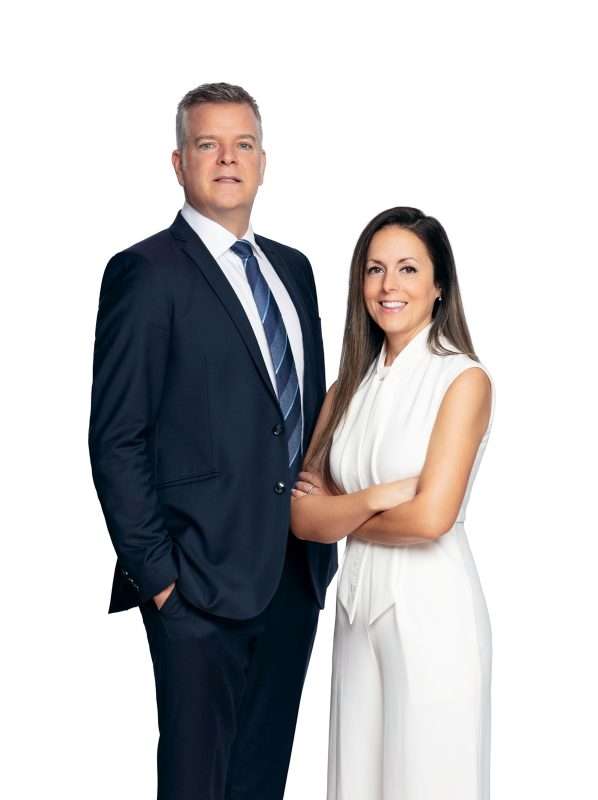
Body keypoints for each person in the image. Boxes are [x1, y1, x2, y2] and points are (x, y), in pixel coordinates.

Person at [88, 82, 337, 800]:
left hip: (294, 573)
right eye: (208, 144)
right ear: (179, 163)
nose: (228, 158)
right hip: (196, 583)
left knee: (261, 781)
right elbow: (117, 438)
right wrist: (161, 581)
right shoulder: (145, 272)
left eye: (243, 144)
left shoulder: (294, 270)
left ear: (263, 162)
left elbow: (308, 414)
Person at [291, 207, 494, 799]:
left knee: (429, 782)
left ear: (439, 285)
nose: (388, 285)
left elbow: (431, 519)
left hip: (433, 611)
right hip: (357, 609)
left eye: (408, 269)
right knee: (354, 783)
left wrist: (341, 513)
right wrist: (379, 497)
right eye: (375, 269)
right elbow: (302, 518)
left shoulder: (462, 380)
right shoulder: (344, 390)